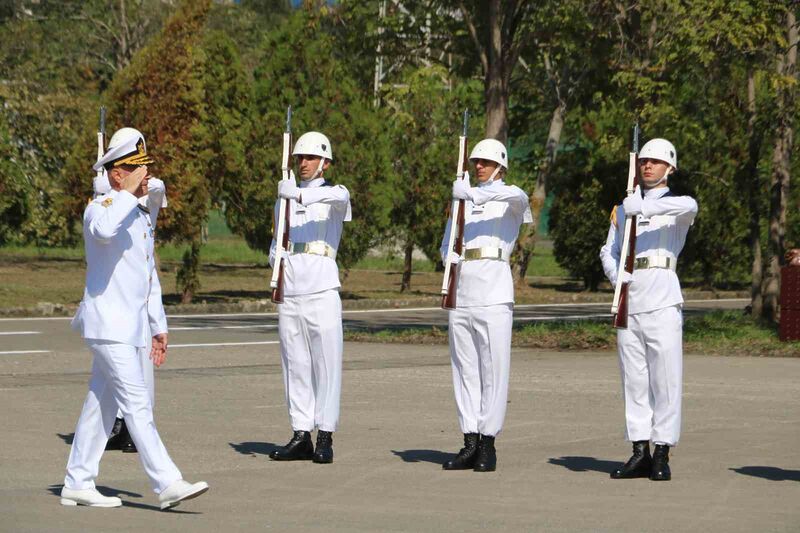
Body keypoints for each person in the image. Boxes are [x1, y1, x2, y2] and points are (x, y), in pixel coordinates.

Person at [61, 127, 208, 509]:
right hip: (108, 327)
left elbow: (148, 276)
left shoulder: (138, 216)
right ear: (116, 174)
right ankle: (167, 482)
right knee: (137, 404)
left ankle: (78, 481)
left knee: (101, 406)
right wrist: (128, 194)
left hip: (131, 327)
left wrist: (158, 325)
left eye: (146, 168)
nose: (145, 176)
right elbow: (105, 229)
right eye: (135, 169)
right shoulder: (101, 209)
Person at [599, 138, 698, 481]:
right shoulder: (623, 208)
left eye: (655, 162)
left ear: (670, 168)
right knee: (634, 379)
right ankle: (639, 449)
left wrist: (642, 208)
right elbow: (608, 252)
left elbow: (690, 206)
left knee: (665, 379)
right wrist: (619, 278)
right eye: (644, 162)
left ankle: (662, 451)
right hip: (630, 297)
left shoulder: (678, 206)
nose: (648, 166)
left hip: (663, 298)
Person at [439, 138, 532, 472]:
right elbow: (447, 241)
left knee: (493, 369)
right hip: (463, 287)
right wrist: (448, 256)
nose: (479, 166)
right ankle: (470, 440)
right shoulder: (462, 200)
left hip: (494, 289)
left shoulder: (509, 198)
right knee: (465, 369)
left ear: (500, 167)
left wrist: (471, 195)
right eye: (476, 161)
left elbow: (519, 198)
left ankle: (488, 444)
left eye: (486, 162)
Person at [268, 131, 351, 464]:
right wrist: (275, 264)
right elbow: (277, 242)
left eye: (310, 158)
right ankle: (301, 433)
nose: (303, 163)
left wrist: (298, 198)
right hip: (291, 288)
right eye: (299, 158)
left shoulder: (334, 194)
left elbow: (339, 199)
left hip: (321, 288)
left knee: (326, 363)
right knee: (296, 363)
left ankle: (325, 435)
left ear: (325, 163)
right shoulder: (283, 198)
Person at [93, 169, 168, 454]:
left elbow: (158, 193)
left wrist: (140, 183)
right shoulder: (108, 208)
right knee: (108, 384)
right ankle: (119, 427)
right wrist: (108, 187)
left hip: (139, 300)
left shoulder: (144, 206)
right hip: (115, 304)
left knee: (141, 372)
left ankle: (137, 433)